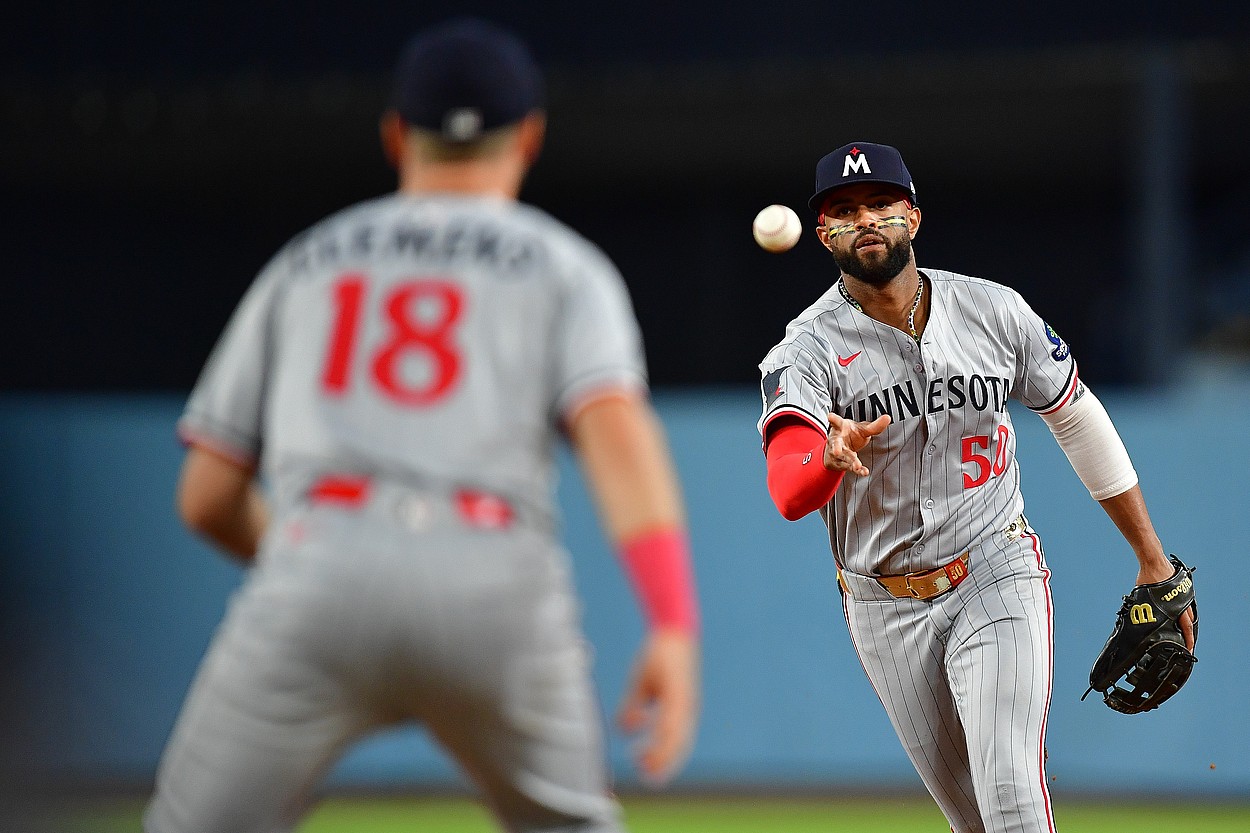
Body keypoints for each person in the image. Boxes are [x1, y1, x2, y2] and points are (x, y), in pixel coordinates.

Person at [144, 18, 700, 833]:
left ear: (397, 134)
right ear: (530, 138)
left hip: (319, 561)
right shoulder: (563, 264)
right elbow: (614, 431)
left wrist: (337, 569)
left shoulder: (307, 260)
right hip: (494, 576)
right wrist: (672, 623)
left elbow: (206, 494)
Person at [756, 141, 1194, 833]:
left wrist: (1152, 556)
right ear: (823, 235)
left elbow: (1074, 414)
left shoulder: (994, 310)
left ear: (913, 217)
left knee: (1013, 798)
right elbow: (788, 488)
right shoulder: (804, 350)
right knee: (974, 820)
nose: (865, 218)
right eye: (844, 210)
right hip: (883, 604)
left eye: (880, 203)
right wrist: (825, 461)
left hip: (996, 569)